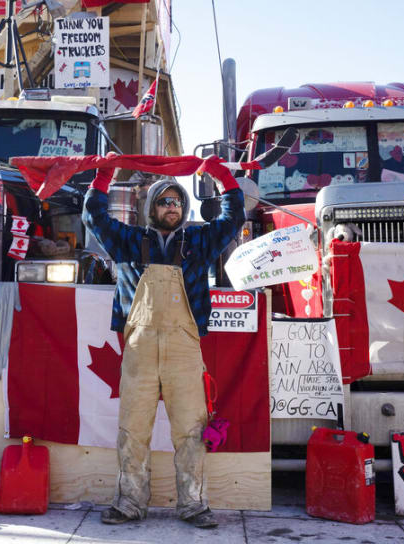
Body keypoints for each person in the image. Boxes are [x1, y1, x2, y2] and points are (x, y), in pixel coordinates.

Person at [82, 159, 244, 529]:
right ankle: (129, 503)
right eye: (163, 202)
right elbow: (93, 217)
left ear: (183, 210)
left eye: (176, 202)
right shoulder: (128, 240)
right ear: (150, 208)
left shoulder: (199, 242)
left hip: (185, 349)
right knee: (132, 429)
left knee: (190, 430)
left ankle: (193, 504)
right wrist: (104, 174)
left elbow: (235, 220)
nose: (171, 207)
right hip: (139, 348)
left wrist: (223, 177)